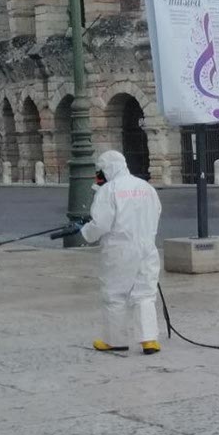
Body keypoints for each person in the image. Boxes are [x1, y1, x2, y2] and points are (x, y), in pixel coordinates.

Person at [78, 150, 164, 355]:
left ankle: (115, 340)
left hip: (120, 248)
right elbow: (157, 211)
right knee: (145, 293)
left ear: (107, 169)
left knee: (115, 294)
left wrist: (85, 231)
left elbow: (101, 223)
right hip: (147, 246)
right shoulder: (146, 187)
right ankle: (149, 340)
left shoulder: (109, 190)